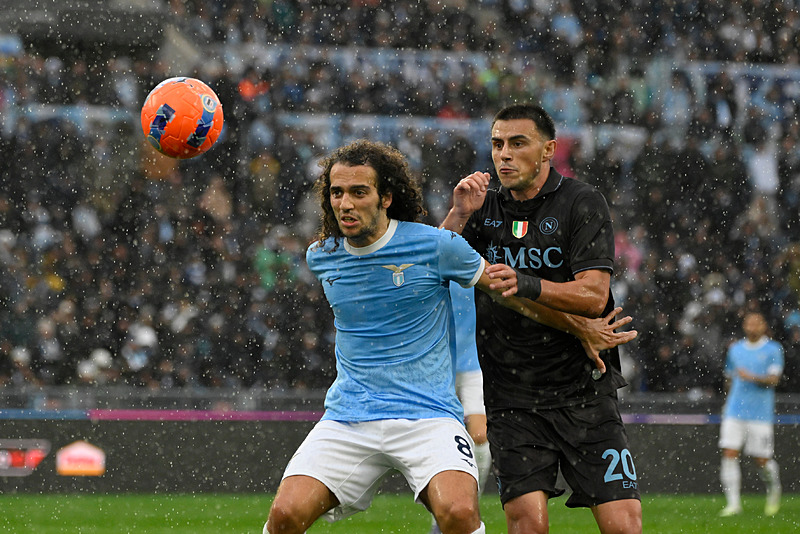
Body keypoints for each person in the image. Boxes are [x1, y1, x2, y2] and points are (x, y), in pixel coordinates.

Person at [264, 139, 637, 534]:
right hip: (349, 416)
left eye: (359, 192)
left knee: (458, 515)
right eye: (336, 193)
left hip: (428, 416)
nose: (345, 204)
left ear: (386, 197)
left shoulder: (437, 244)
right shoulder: (321, 255)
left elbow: (509, 296)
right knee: (284, 517)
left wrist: (578, 326)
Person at [442, 103, 643, 534]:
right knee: (527, 525)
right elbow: (435, 270)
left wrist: (525, 282)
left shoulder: (581, 202)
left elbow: (594, 295)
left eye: (518, 143)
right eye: (497, 145)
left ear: (549, 149)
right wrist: (459, 213)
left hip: (583, 391)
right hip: (511, 396)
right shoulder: (483, 209)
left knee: (624, 524)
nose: (504, 155)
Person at [427, 283, 492, 534]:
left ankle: (467, 503)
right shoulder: (436, 255)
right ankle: (441, 511)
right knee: (435, 434)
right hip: (437, 360)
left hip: (474, 358)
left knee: (480, 436)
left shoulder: (475, 260)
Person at [718, 310, 784, 517]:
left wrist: (752, 377)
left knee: (762, 460)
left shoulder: (774, 349)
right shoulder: (735, 349)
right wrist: (726, 402)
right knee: (729, 453)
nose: (752, 327)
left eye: (757, 323)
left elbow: (774, 380)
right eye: (749, 323)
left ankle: (774, 489)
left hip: (760, 414)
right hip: (734, 410)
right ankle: (733, 505)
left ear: (764, 325)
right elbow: (729, 378)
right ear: (744, 326)